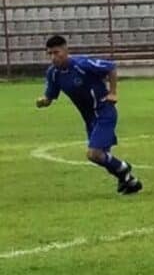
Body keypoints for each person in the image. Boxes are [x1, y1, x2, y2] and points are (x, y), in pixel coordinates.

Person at [35, 35, 143, 195]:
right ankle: (129, 181)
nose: (53, 57)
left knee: (94, 154)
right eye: (49, 54)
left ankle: (123, 169)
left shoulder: (82, 64)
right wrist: (43, 101)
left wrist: (113, 92)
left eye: (56, 52)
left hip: (104, 112)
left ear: (65, 50)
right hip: (89, 118)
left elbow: (111, 67)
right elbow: (50, 96)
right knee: (101, 156)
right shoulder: (53, 73)